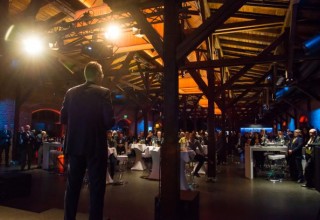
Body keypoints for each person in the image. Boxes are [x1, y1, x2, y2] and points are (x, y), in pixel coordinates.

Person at [61, 61, 114, 220]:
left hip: (74, 145)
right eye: (102, 74)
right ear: (98, 75)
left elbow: (63, 117)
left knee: (72, 188)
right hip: (95, 147)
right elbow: (108, 122)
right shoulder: (104, 92)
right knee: (96, 189)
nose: (103, 77)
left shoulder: (71, 92)